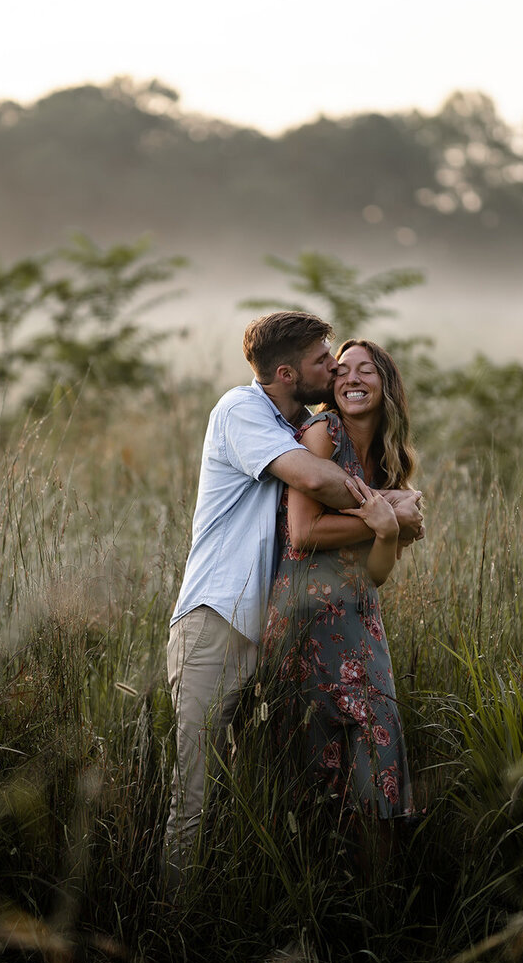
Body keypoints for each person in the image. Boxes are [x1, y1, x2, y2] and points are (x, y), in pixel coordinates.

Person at [163, 313, 423, 889]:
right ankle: (171, 932)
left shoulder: (302, 420)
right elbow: (318, 486)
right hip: (217, 622)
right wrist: (390, 509)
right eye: (322, 360)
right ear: (286, 372)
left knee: (253, 782)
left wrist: (385, 520)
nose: (333, 368)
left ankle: (256, 900)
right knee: (194, 796)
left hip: (273, 631)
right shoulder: (242, 411)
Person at [262, 338, 418, 845]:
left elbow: (376, 574)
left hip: (361, 623)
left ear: (386, 384)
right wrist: (388, 515)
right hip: (307, 621)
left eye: (366, 370)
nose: (351, 377)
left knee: (376, 758)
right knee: (311, 772)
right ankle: (313, 896)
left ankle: (375, 904)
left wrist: (388, 534)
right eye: (342, 369)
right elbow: (303, 533)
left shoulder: (389, 464)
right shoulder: (322, 434)